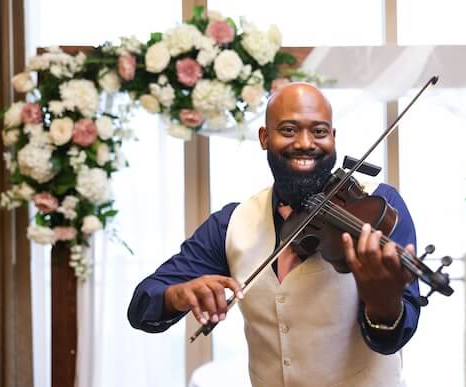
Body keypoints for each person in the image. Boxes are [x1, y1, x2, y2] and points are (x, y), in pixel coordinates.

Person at [128, 83, 420, 387]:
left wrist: (383, 306)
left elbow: (391, 339)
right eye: (289, 130)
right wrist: (176, 295)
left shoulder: (376, 208)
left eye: (319, 131)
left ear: (333, 138)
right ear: (265, 138)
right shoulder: (231, 223)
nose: (305, 143)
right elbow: (142, 305)